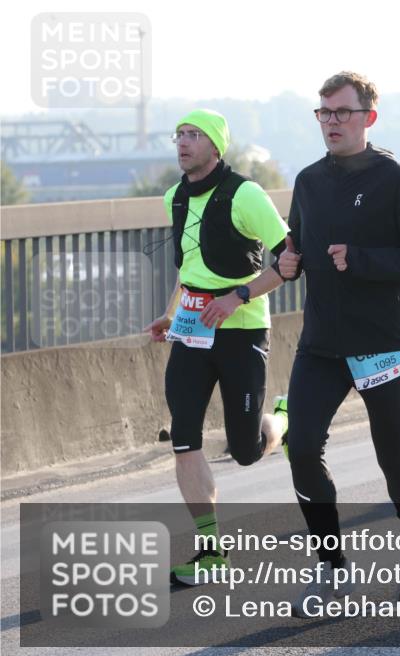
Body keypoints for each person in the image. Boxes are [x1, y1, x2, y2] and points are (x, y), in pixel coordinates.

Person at [275, 72, 400, 616]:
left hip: (382, 342)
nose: (331, 122)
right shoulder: (307, 180)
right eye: (323, 113)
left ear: (368, 117)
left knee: (393, 458)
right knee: (302, 449)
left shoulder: (395, 178)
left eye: (342, 112)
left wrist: (362, 259)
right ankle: (332, 569)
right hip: (322, 344)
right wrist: (283, 261)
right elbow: (294, 249)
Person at [143, 109, 290, 585]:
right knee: (184, 438)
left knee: (245, 450)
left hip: (242, 329)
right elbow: (188, 268)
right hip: (191, 331)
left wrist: (237, 297)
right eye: (179, 134)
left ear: (216, 146)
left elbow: (291, 258)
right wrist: (171, 312)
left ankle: (282, 421)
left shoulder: (246, 194)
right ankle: (211, 551)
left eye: (194, 135)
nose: (183, 142)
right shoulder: (174, 197)